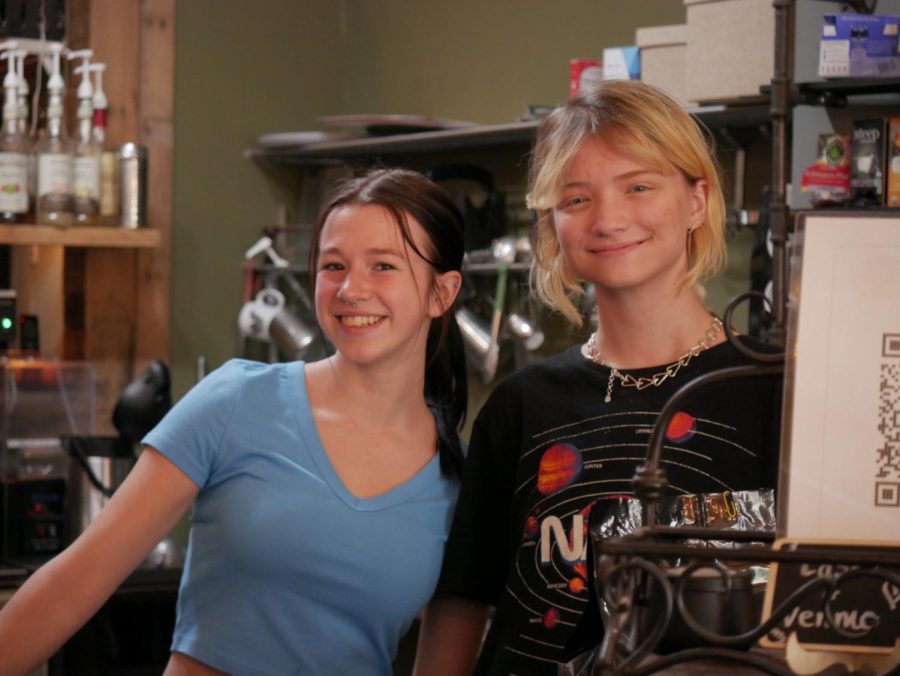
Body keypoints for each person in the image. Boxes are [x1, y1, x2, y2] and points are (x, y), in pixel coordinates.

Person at [0, 167, 469, 676]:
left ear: (440, 293)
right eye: (333, 265)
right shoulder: (238, 400)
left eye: (383, 266)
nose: (351, 289)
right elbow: (74, 582)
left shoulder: (453, 476)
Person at [413, 80, 782, 675]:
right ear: (552, 222)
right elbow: (463, 599)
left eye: (638, 187)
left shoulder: (778, 393)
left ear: (696, 200)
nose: (609, 219)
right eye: (577, 199)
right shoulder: (519, 405)